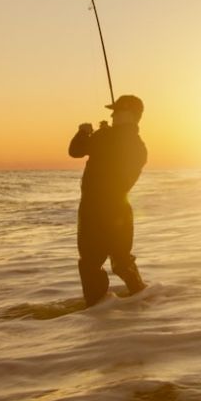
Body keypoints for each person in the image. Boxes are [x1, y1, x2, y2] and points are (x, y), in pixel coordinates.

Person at [68, 95, 148, 306]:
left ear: (131, 115)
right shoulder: (110, 138)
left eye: (117, 111)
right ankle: (101, 309)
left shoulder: (129, 144)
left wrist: (90, 134)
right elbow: (76, 151)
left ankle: (140, 302)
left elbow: (76, 151)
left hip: (111, 210)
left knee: (117, 262)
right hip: (99, 209)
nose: (112, 115)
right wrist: (86, 134)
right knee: (93, 264)